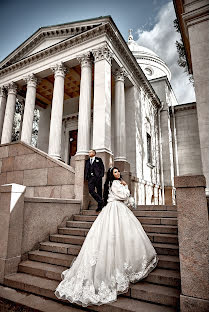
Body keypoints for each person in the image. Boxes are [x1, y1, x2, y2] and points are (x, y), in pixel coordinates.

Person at [55, 166, 158, 307]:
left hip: (116, 209)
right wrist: (126, 187)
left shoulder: (113, 184)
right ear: (111, 175)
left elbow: (123, 199)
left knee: (118, 237)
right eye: (115, 172)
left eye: (118, 171)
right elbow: (123, 196)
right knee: (114, 237)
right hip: (115, 210)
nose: (118, 173)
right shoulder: (115, 184)